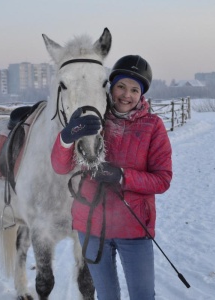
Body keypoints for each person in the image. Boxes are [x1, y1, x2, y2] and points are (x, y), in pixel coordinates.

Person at [51, 55, 172, 300]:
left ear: (142, 95)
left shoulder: (153, 126)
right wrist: (66, 137)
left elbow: (162, 179)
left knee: (143, 296)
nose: (126, 95)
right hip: (92, 227)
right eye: (121, 86)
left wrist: (122, 176)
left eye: (134, 90)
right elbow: (61, 167)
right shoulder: (94, 119)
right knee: (107, 296)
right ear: (110, 87)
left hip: (134, 227)